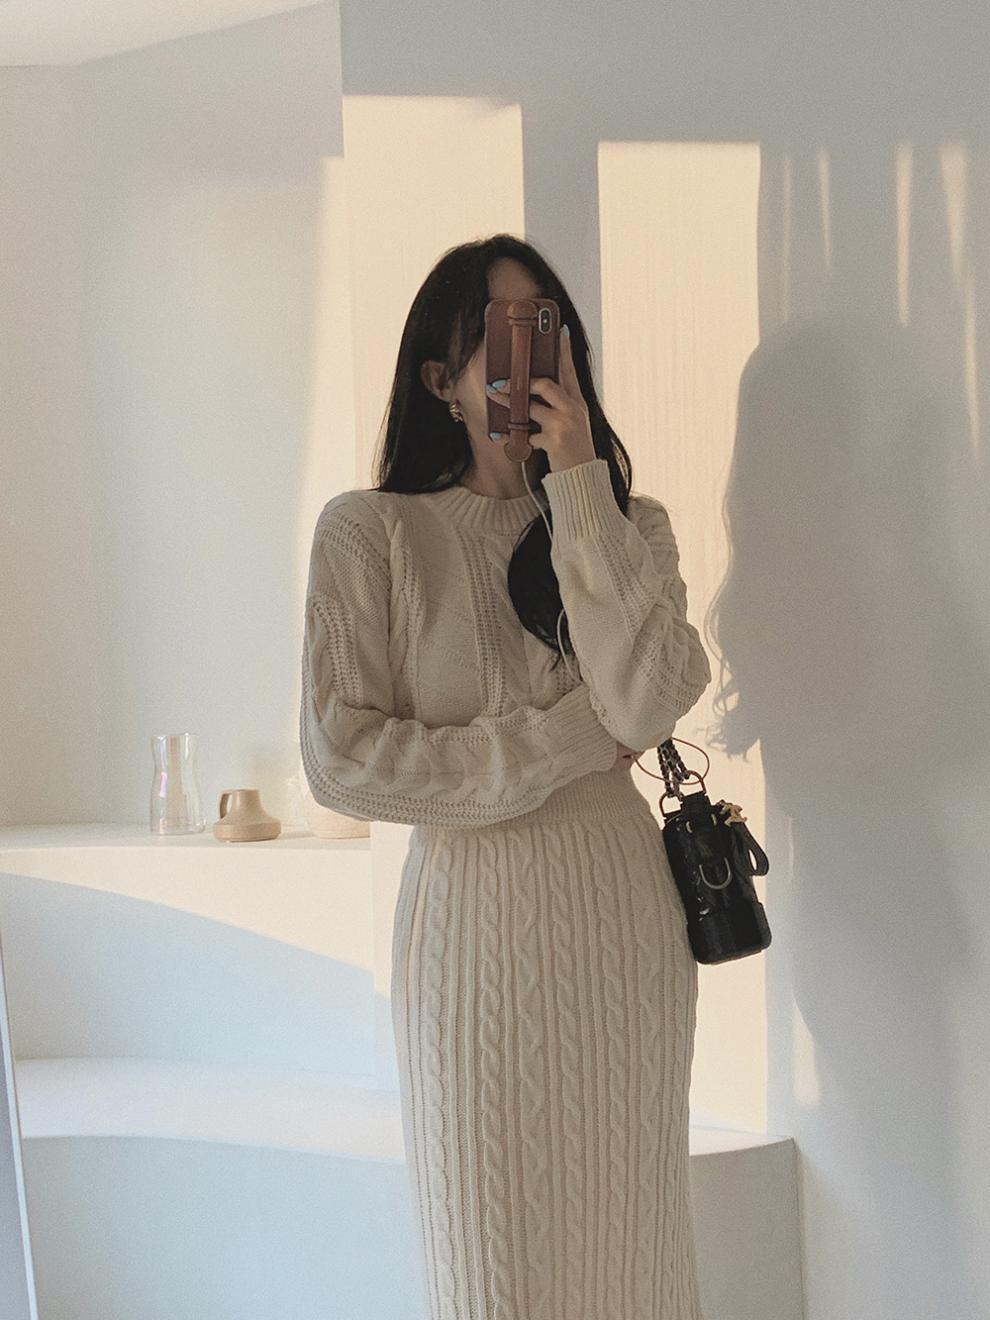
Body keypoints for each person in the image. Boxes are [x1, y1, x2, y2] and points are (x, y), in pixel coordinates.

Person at [300, 234, 713, 1320]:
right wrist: (568, 741)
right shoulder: (373, 535)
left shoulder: (628, 526)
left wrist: (577, 484)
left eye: (549, 330)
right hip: (472, 942)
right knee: (492, 1275)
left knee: (635, 1259)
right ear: (441, 377)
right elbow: (342, 758)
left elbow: (651, 702)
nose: (531, 359)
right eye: (503, 335)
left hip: (622, 933)